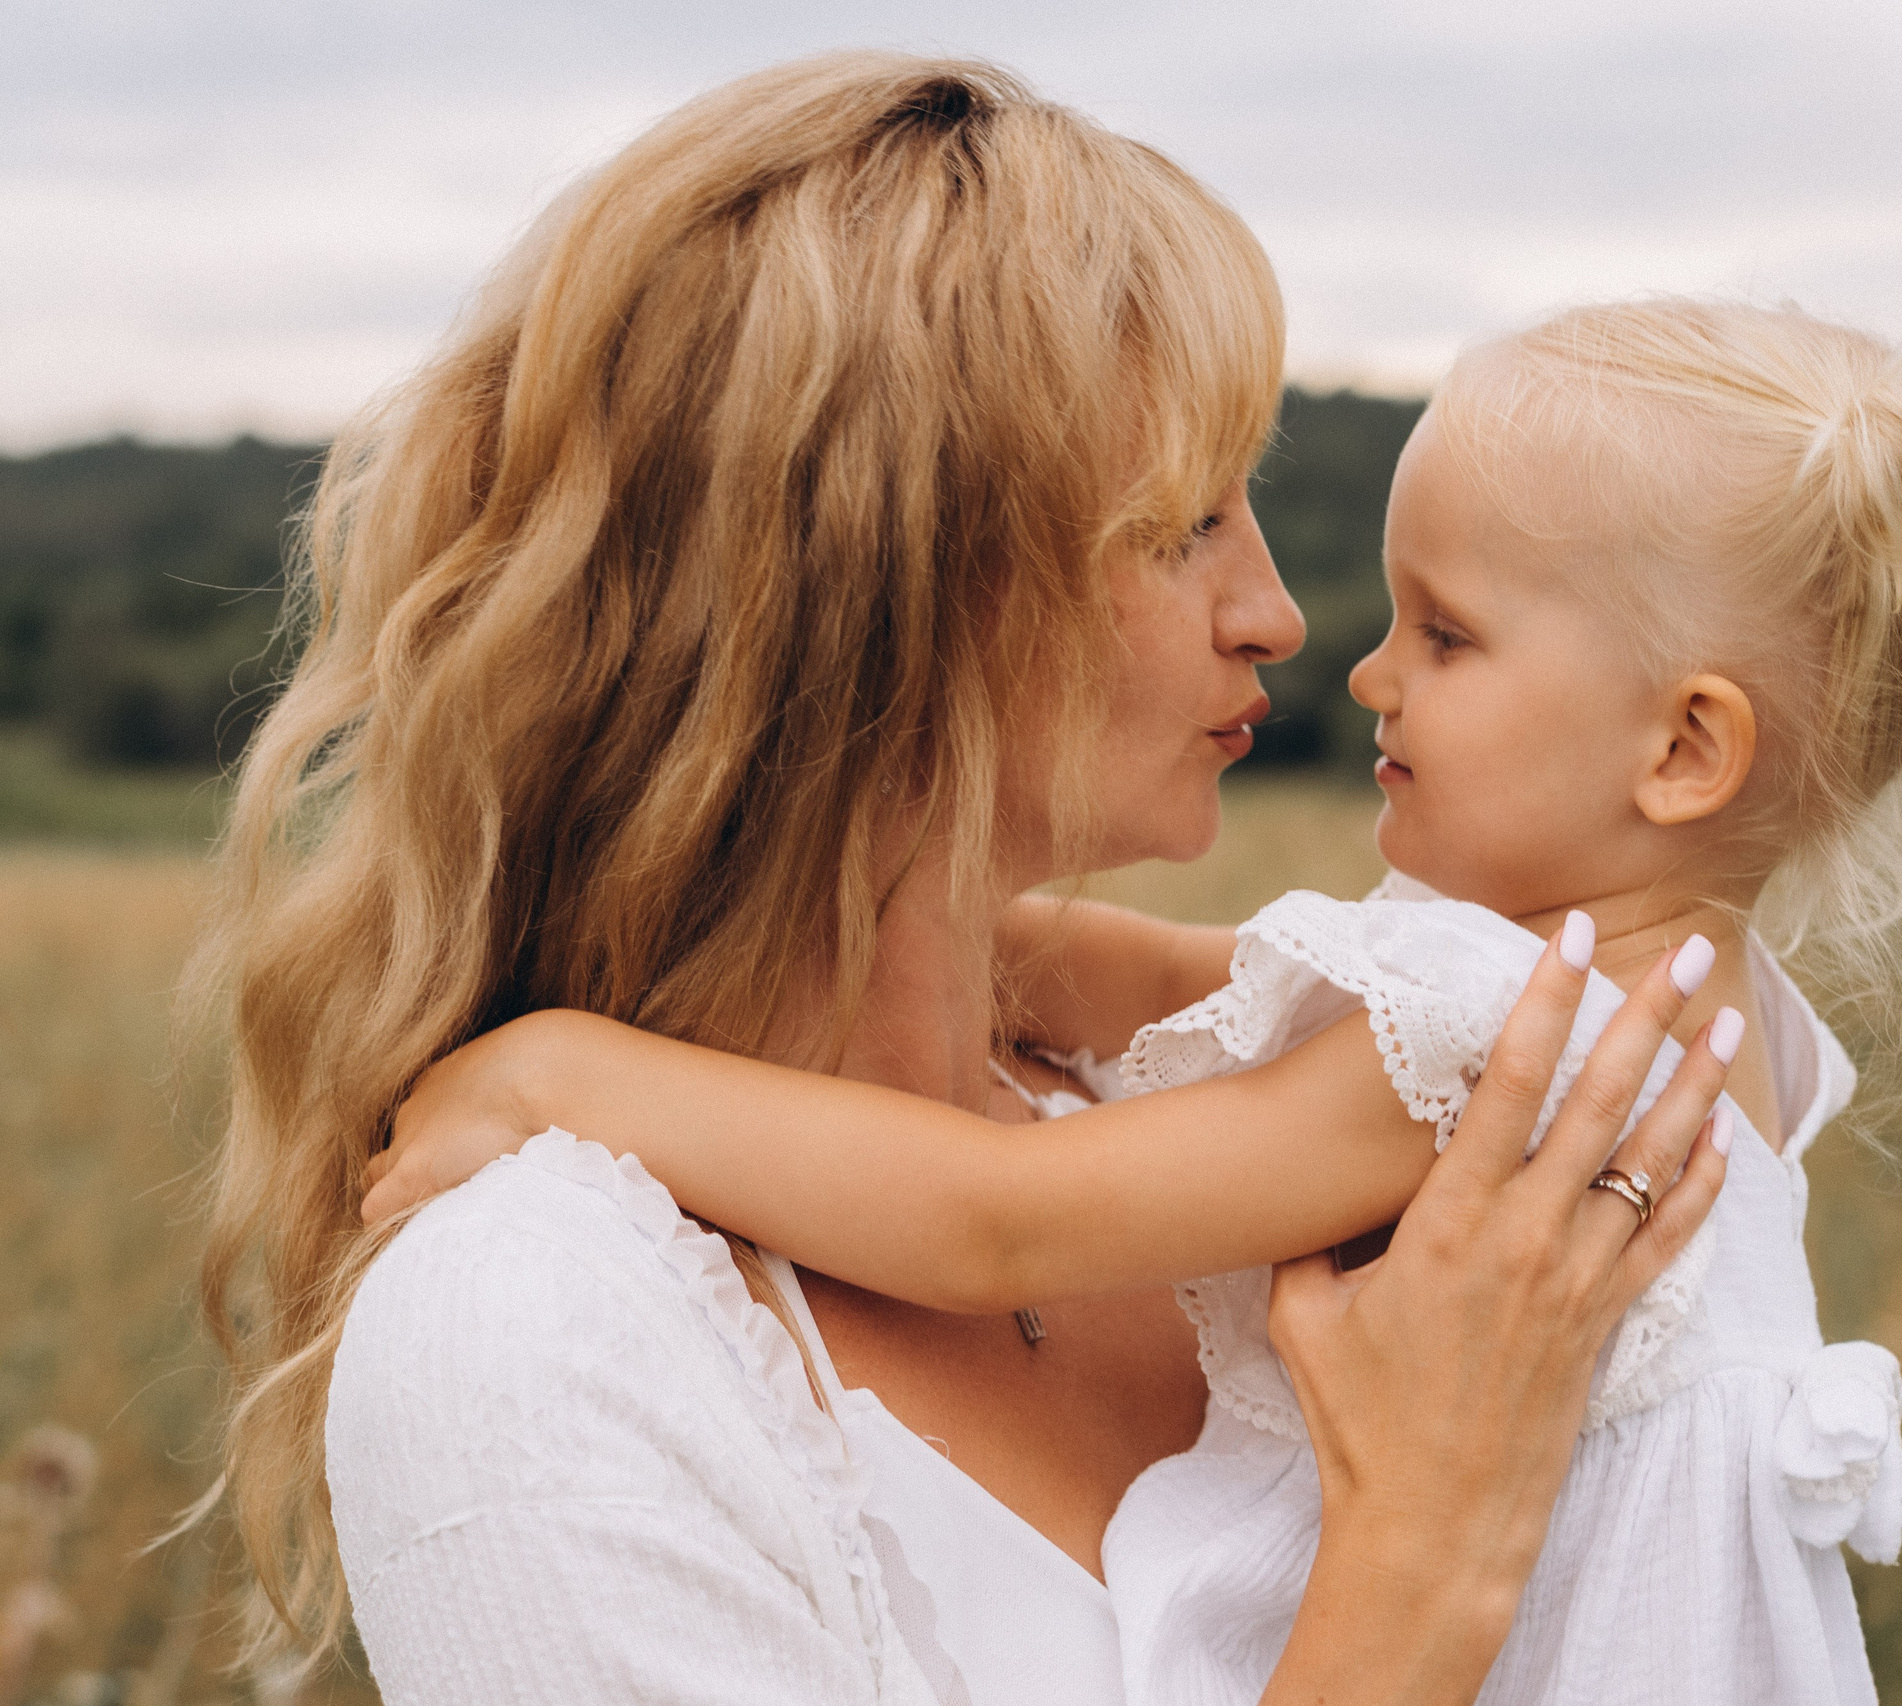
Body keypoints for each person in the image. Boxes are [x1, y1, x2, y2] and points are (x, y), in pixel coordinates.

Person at [187, 51, 1731, 1706]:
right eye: (1179, 524)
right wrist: (1426, 1552)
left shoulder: (1174, 1103)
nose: (1278, 616)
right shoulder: (538, 1323)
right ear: (881, 588)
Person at [367, 298, 1902, 1703]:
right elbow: (1187, 979)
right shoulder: (1707, 1024)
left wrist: (561, 1071)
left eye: (1447, 638)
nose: (1357, 663)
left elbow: (998, 1222)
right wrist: (907, 900)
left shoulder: (1503, 1037)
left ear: (1683, 748)